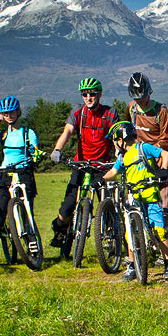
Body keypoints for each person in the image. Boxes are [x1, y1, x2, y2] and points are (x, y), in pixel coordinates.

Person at [100, 121, 168, 281]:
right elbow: (113, 172)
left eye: (114, 140)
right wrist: (101, 179)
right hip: (134, 198)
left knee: (159, 231)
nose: (114, 144)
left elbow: (165, 154)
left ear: (121, 138)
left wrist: (163, 170)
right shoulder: (122, 157)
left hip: (150, 197)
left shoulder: (143, 148)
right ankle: (132, 265)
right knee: (130, 233)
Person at [49, 77, 117, 248]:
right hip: (81, 164)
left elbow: (116, 137)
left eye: (92, 94)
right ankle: (60, 229)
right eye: (84, 94)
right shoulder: (78, 112)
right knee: (68, 204)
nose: (88, 98)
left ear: (99, 94)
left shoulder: (109, 113)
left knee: (107, 203)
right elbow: (67, 131)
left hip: (102, 166)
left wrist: (119, 153)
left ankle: (110, 237)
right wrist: (57, 149)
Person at [0, 95, 41, 268]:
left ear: (18, 112)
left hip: (23, 174)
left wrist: (36, 155)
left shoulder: (27, 133)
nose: (9, 116)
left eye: (12, 112)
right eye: (5, 113)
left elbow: (35, 151)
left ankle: (32, 249)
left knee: (26, 213)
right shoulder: (3, 133)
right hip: (5, 174)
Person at [123, 72, 168, 211]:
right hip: (138, 160)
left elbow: (166, 139)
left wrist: (152, 151)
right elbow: (127, 130)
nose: (140, 100)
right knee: (135, 199)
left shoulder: (160, 111)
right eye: (136, 98)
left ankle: (166, 224)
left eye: (142, 96)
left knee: (164, 201)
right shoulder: (131, 108)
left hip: (158, 158)